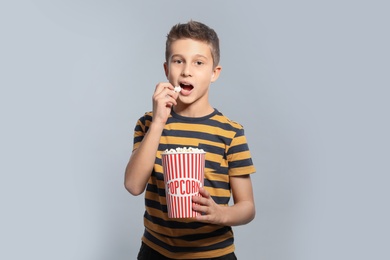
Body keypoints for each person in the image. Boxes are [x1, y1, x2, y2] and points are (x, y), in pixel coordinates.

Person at [125, 20, 256, 260]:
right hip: (156, 251)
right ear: (167, 70)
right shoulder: (148, 123)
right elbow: (133, 186)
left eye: (198, 62)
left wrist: (220, 214)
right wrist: (158, 123)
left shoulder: (230, 133)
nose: (186, 70)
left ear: (214, 73)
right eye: (178, 61)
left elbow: (247, 207)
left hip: (213, 254)